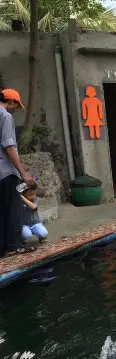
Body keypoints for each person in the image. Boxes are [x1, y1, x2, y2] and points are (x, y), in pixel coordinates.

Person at [0, 89, 36, 257]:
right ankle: (14, 246)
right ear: (11, 101)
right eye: (16, 105)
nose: (15, 109)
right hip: (6, 172)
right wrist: (23, 173)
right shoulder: (6, 116)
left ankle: (2, 248)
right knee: (13, 210)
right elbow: (8, 146)